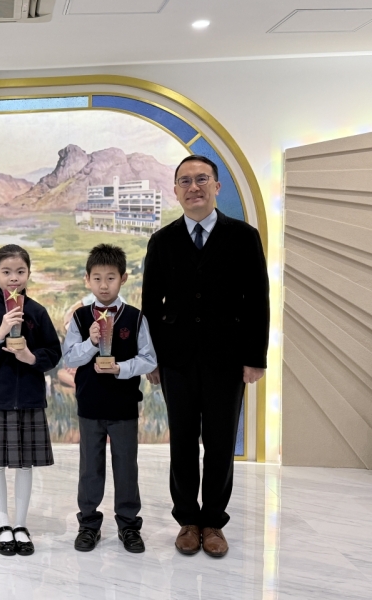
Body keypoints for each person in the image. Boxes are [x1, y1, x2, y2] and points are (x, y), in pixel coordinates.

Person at [142, 155, 269, 558]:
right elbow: (150, 305)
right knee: (182, 441)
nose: (193, 187)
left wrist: (255, 357)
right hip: (175, 360)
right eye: (185, 181)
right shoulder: (162, 241)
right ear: (175, 190)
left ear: (216, 186)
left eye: (201, 179)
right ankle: (187, 520)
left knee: (219, 442)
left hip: (227, 359)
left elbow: (257, 300)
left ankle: (213, 521)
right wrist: (151, 358)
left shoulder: (243, 237)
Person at [62, 244, 157, 554]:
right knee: (90, 468)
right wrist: (91, 342)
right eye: (98, 278)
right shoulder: (80, 317)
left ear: (123, 279)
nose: (104, 285)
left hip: (124, 407)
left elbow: (149, 359)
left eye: (111, 278)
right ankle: (89, 524)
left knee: (126, 467)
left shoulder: (135, 318)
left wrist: (121, 369)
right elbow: (69, 358)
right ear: (87, 279)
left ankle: (129, 525)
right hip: (90, 406)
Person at [0, 244, 62, 557]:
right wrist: (0, 332)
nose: (13, 278)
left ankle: (21, 525)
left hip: (29, 400)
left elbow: (53, 353)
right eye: (6, 272)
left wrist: (31, 357)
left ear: (28, 274)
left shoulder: (37, 312)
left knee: (25, 465)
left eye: (20, 271)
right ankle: (3, 523)